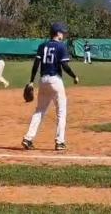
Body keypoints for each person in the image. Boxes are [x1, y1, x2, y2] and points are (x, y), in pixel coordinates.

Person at [22, 22, 79, 151]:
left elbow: (36, 64)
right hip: (55, 80)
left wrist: (31, 81)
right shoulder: (61, 47)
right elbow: (64, 66)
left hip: (43, 81)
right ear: (58, 33)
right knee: (61, 111)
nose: (63, 34)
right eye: (62, 32)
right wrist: (74, 76)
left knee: (39, 111)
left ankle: (28, 138)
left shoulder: (42, 46)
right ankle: (60, 142)